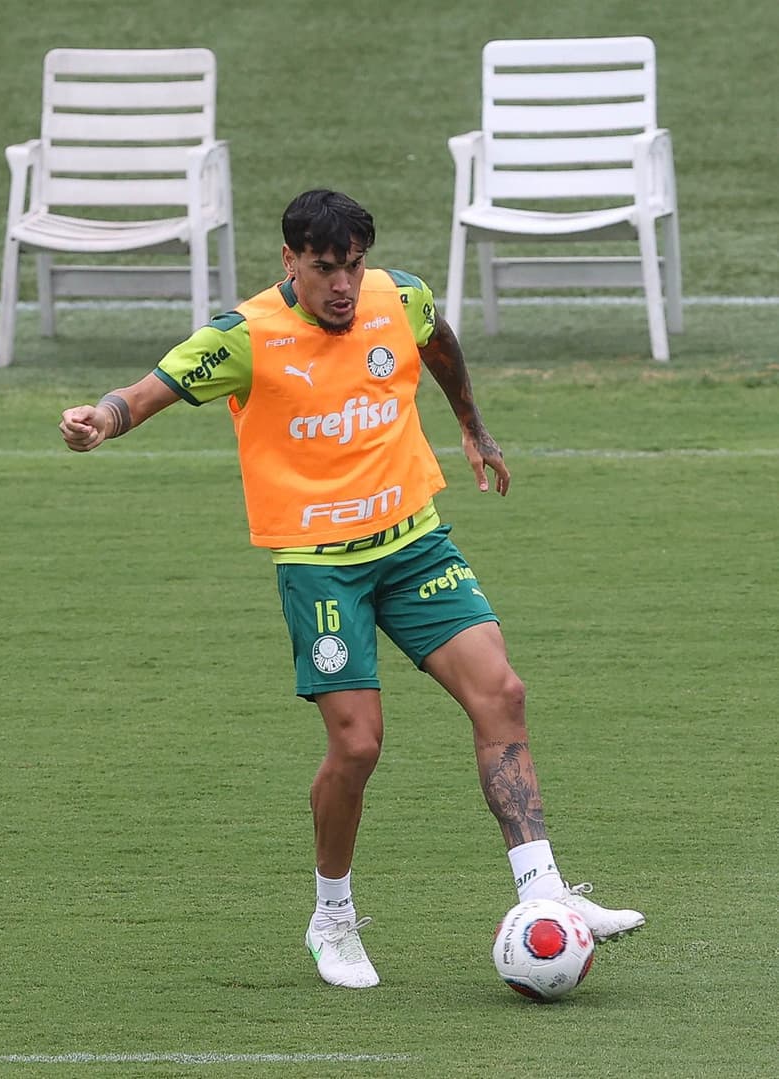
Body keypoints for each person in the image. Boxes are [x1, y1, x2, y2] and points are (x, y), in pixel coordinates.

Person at [59, 188, 645, 989]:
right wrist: (103, 417)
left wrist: (472, 425)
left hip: (413, 543)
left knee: (501, 693)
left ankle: (546, 894)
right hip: (320, 564)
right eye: (326, 268)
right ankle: (331, 913)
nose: (343, 284)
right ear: (290, 262)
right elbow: (153, 387)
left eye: (353, 265)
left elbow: (438, 340)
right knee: (358, 743)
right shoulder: (246, 336)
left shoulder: (397, 298)